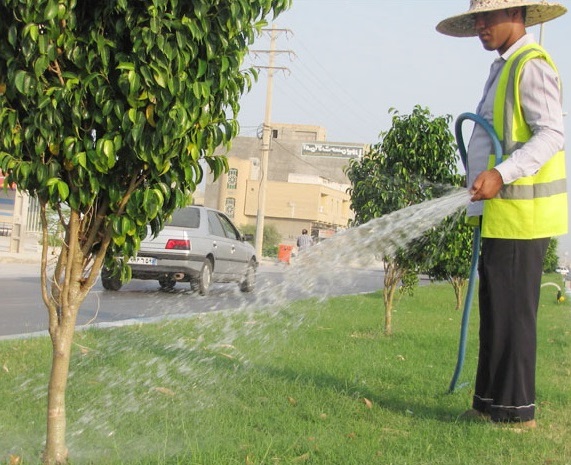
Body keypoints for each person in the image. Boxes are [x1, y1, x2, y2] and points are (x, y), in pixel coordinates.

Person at [436, 0, 568, 428]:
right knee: (496, 313)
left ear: (518, 15)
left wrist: (500, 173)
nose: (479, 26)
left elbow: (552, 133)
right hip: (500, 215)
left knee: (513, 316)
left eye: (487, 17)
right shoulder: (504, 66)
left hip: (521, 218)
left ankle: (515, 414)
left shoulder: (530, 64)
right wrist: (480, 176)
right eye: (476, 18)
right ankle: (488, 405)